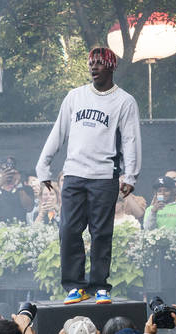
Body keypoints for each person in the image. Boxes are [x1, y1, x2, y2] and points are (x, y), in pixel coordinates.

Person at [36, 46, 141, 305]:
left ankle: (99, 286)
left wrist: (130, 176)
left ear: (111, 67)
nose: (93, 67)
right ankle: (74, 285)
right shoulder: (75, 96)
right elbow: (58, 132)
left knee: (101, 232)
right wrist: (43, 166)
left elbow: (130, 139)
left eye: (99, 63)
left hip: (104, 176)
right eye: (91, 63)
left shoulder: (124, 101)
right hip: (73, 174)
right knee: (69, 229)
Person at [0, 158, 34, 224]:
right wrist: (0, 184)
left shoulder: (26, 189)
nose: (8, 174)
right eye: (4, 171)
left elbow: (29, 208)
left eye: (11, 171)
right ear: (0, 172)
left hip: (20, 229)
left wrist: (19, 184)